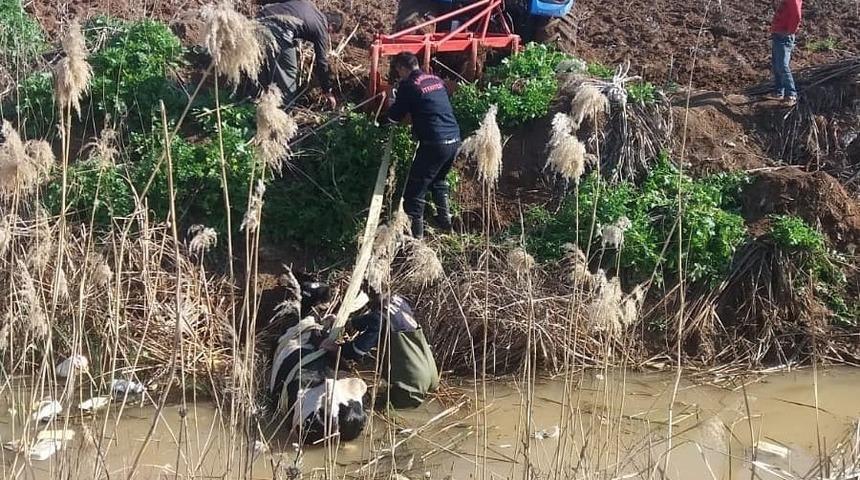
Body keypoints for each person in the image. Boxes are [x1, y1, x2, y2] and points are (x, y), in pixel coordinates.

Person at [386, 52, 462, 239]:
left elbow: (393, 117)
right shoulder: (435, 79)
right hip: (453, 138)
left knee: (414, 192)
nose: (398, 74)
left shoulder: (409, 85)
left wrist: (391, 101)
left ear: (403, 68)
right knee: (438, 181)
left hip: (434, 143)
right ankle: (446, 223)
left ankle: (415, 240)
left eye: (398, 70)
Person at [322, 289, 439, 409]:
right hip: (430, 373)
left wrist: (336, 348)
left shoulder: (379, 317)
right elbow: (367, 321)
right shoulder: (398, 300)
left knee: (377, 410)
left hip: (412, 383)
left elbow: (357, 351)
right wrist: (341, 323)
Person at [257, 1, 343, 108]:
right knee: (289, 71)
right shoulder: (322, 28)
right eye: (331, 32)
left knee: (264, 65)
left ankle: (258, 101)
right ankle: (284, 111)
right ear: (332, 26)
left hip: (261, 17)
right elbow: (321, 62)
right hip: (277, 29)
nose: (329, 35)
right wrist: (327, 91)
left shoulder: (310, 6)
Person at [769, 0, 803, 106]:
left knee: (782, 65)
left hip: (784, 35)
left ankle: (791, 94)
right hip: (779, 33)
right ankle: (779, 92)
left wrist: (790, 30)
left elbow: (797, 15)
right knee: (776, 64)